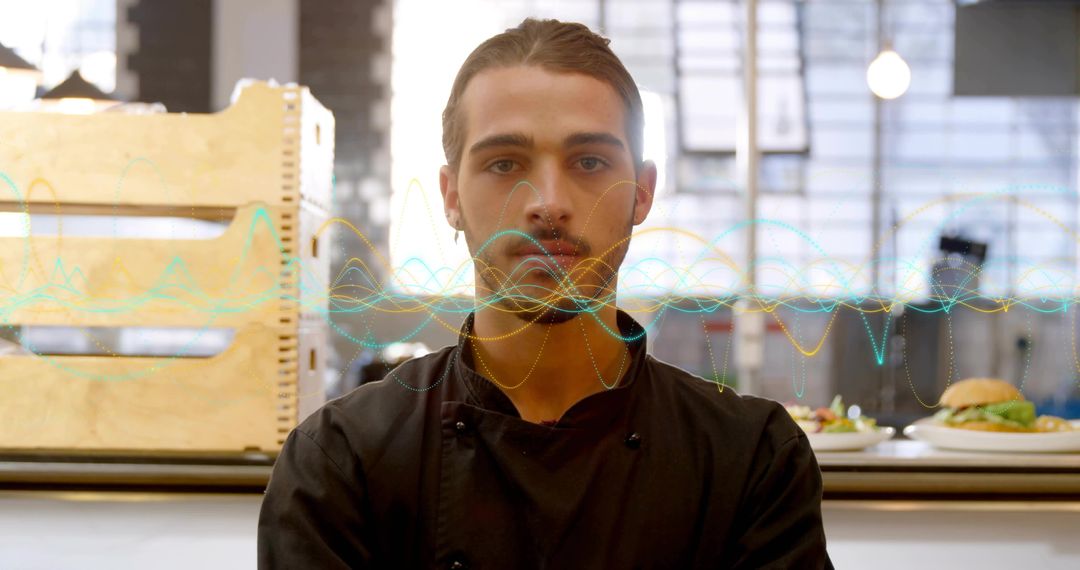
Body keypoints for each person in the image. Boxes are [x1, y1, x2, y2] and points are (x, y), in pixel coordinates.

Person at [259, 18, 832, 569]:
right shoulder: (339, 463)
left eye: (589, 161)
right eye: (505, 163)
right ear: (451, 195)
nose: (548, 201)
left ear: (643, 192)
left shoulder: (752, 462)